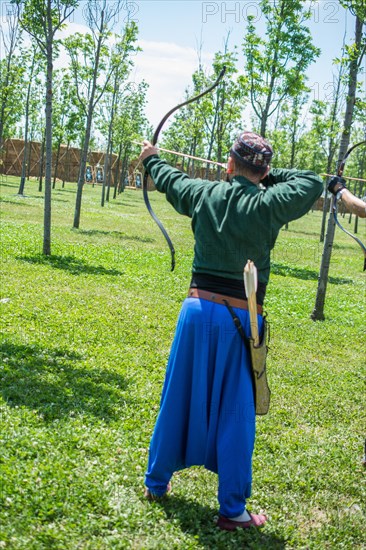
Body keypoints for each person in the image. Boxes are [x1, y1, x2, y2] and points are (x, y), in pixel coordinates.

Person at [140, 131, 323, 531]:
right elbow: (311, 181)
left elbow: (169, 178)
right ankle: (233, 510)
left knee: (178, 396)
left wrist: (152, 157)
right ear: (263, 170)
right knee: (237, 413)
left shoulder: (204, 194)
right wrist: (267, 177)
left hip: (197, 311)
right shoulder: (270, 201)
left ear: (227, 165)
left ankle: (156, 483)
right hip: (242, 319)